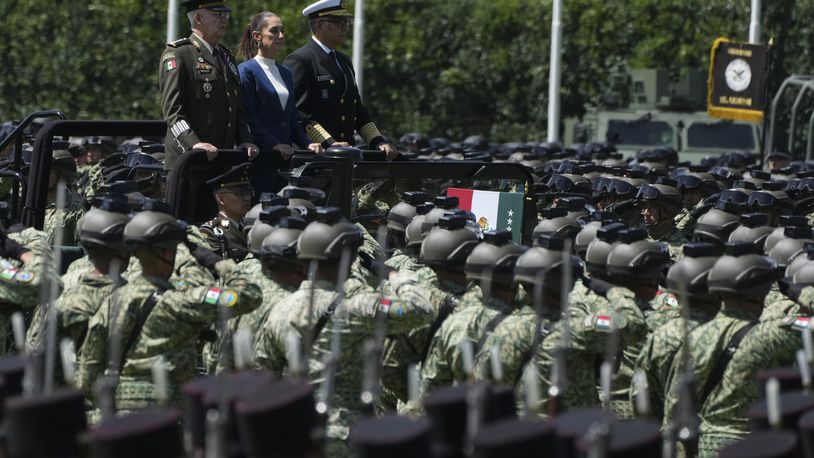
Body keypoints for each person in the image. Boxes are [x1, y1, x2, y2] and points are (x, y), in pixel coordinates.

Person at [285, 0, 399, 158]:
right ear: (319, 25)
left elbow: (357, 110)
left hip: (347, 156)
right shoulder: (301, 59)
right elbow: (299, 113)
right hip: (316, 155)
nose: (344, 27)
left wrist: (378, 142)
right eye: (338, 22)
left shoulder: (343, 61)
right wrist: (330, 143)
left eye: (345, 21)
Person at [158, 0, 258, 170]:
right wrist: (193, 144)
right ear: (198, 18)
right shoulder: (179, 54)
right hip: (189, 163)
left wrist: (245, 140)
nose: (224, 19)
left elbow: (237, 109)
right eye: (218, 14)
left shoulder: (227, 57)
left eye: (225, 14)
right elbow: (173, 113)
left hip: (221, 160)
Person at [237, 11, 323, 194]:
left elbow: (292, 117)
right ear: (257, 36)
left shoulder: (285, 73)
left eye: (282, 31)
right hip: (261, 159)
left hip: (284, 161)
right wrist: (273, 144)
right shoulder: (246, 71)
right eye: (274, 31)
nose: (281, 36)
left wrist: (307, 143)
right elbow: (249, 116)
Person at [199, 163, 254, 262]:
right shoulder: (211, 232)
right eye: (239, 194)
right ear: (221, 199)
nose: (247, 198)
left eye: (248, 193)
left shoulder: (255, 224)